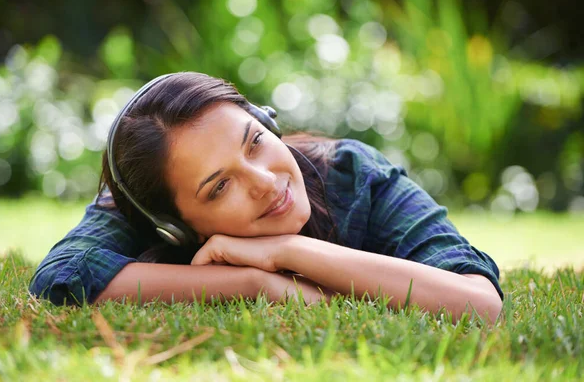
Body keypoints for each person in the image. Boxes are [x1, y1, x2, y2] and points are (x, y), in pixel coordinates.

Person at [29, 71, 504, 324]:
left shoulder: (353, 175)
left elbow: (479, 304)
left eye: (254, 142)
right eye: (219, 187)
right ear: (175, 227)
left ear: (268, 122)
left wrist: (286, 251)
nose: (263, 181)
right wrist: (255, 284)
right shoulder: (140, 205)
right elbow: (63, 277)